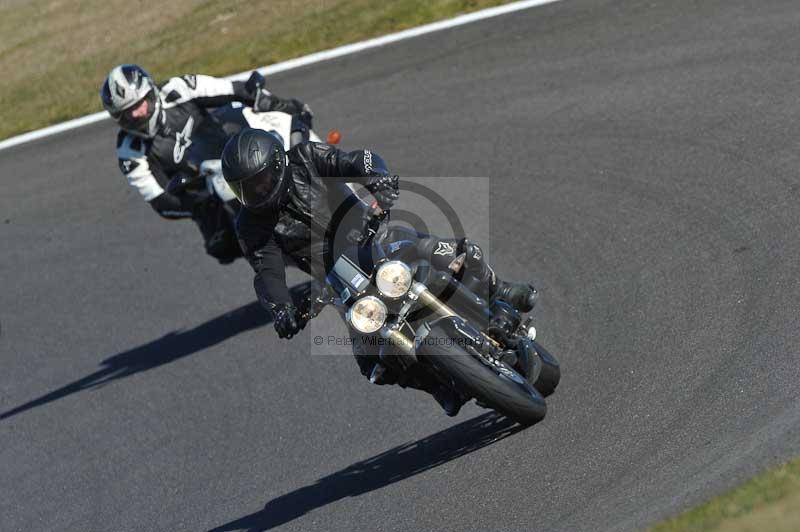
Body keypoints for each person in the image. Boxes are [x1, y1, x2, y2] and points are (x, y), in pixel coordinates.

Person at [220, 128, 537, 414]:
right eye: (244, 189)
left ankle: (501, 292)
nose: (256, 193)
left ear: (278, 165)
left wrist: (377, 180)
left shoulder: (305, 157)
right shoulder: (250, 226)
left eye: (260, 182)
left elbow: (359, 160)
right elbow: (267, 273)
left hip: (373, 234)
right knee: (371, 362)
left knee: (452, 253)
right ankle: (439, 385)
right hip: (337, 279)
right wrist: (281, 308)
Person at [100, 63, 312, 263]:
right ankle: (286, 269)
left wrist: (271, 102)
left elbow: (232, 89)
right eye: (127, 113)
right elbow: (160, 201)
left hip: (239, 150)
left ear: (150, 93)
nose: (136, 114)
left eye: (138, 104)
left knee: (291, 120)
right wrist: (198, 202)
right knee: (222, 246)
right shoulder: (129, 151)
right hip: (208, 190)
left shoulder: (178, 89)